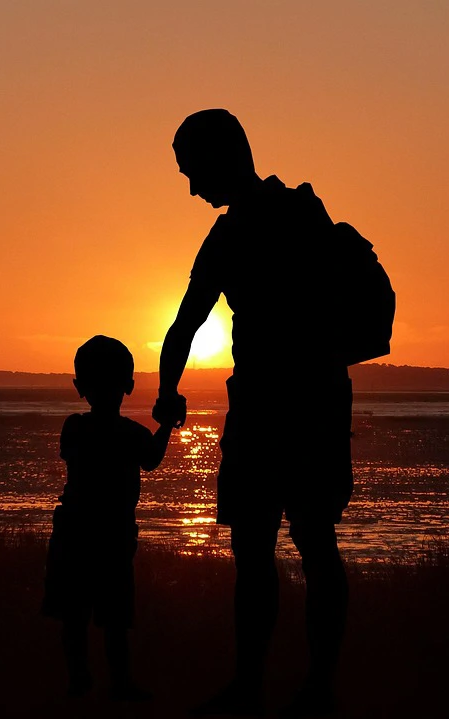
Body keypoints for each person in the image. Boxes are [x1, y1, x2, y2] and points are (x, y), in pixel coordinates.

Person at [155, 109, 353, 715]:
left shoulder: (234, 233)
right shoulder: (305, 213)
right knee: (311, 544)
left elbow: (185, 324)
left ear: (223, 158)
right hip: (318, 399)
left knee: (262, 548)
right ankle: (309, 686)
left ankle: (256, 687)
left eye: (192, 172)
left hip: (271, 409)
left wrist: (167, 396)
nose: (191, 188)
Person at [42, 335, 176, 701]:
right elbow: (150, 459)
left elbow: (71, 453)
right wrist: (166, 426)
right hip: (112, 536)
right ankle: (118, 685)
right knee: (114, 619)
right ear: (129, 386)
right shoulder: (129, 433)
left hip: (76, 533)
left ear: (79, 387)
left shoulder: (74, 427)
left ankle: (81, 682)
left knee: (76, 616)